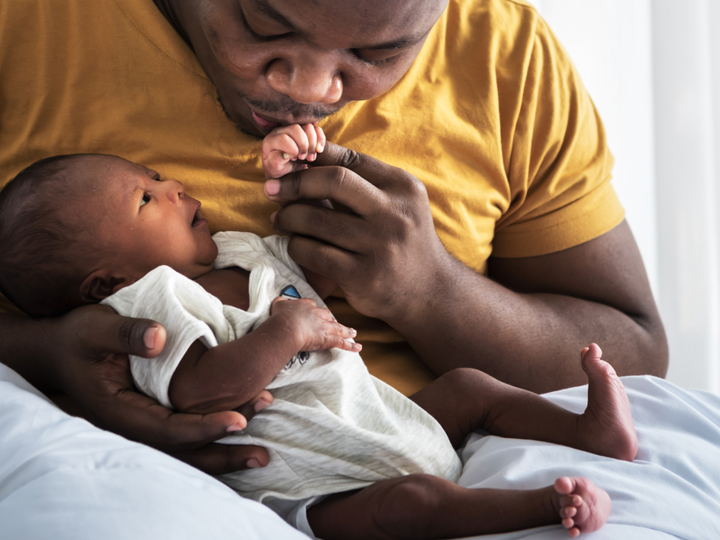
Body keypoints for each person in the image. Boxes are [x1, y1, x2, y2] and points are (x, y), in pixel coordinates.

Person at [0, 0, 667, 476]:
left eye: (380, 53)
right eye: (265, 23)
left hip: (420, 445)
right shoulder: (28, 23)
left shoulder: (507, 54)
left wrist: (432, 291)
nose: (312, 89)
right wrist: (43, 352)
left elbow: (635, 352)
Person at [0, 146, 639, 539]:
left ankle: (590, 434)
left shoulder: (239, 251)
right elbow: (200, 391)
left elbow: (325, 271)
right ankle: (542, 507)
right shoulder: (150, 303)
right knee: (411, 506)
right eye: (146, 198)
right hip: (315, 483)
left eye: (158, 176)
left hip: (380, 419)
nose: (172, 190)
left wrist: (317, 179)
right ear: (106, 281)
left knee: (471, 389)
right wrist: (287, 329)